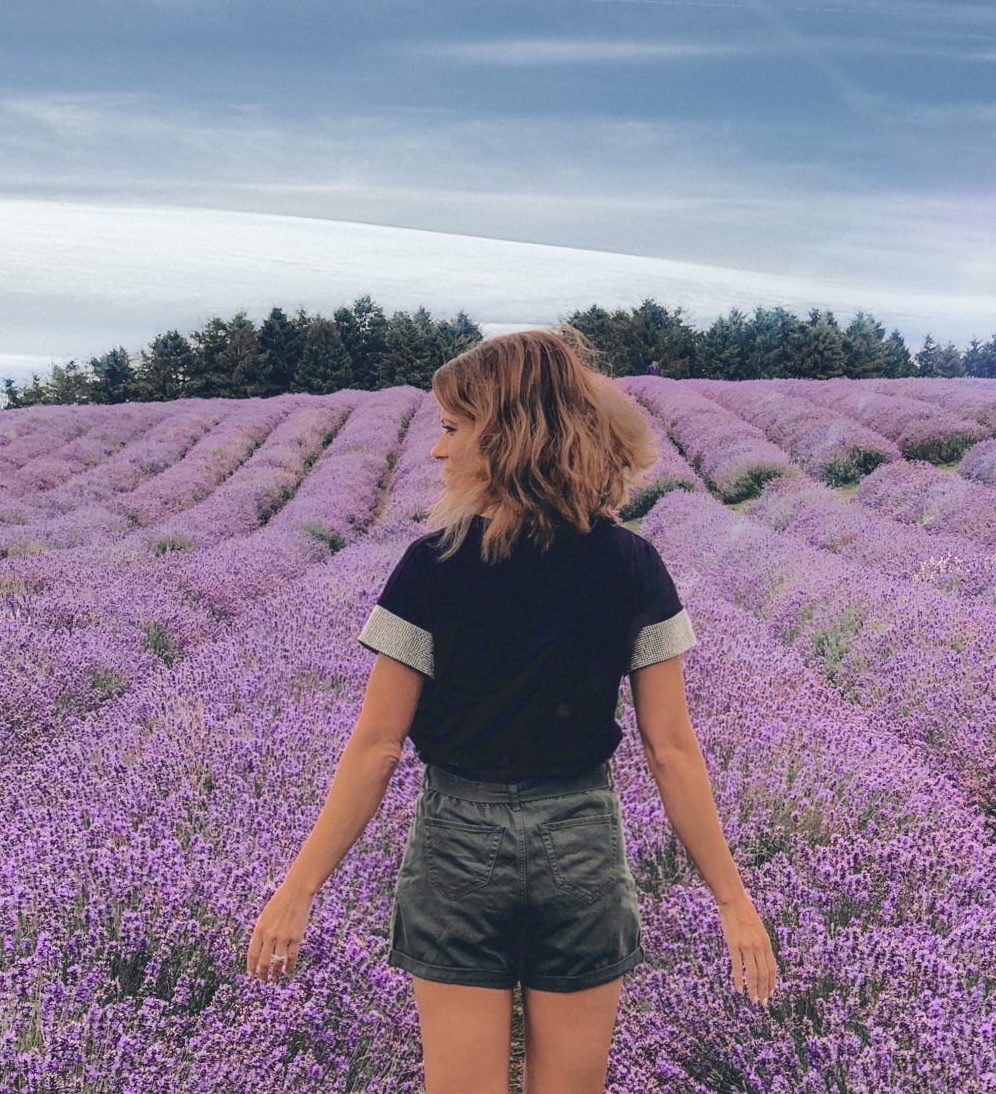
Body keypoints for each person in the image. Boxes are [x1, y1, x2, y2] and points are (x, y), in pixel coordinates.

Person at [247, 327, 777, 1093]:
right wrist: (732, 900)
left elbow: (375, 748)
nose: (437, 451)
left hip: (460, 847)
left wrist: (297, 889)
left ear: (507, 435)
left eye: (453, 429)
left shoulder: (431, 568)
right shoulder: (634, 566)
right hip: (581, 845)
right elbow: (671, 749)